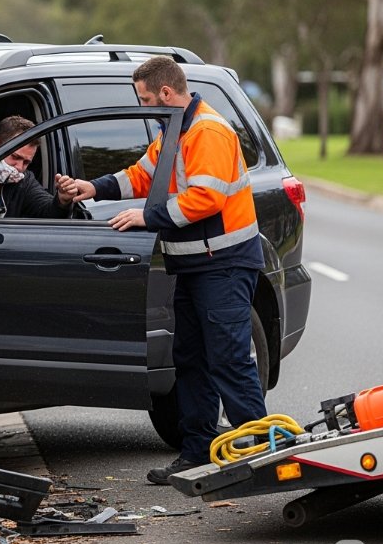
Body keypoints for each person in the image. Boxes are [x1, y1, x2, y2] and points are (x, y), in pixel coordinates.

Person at [57, 55, 266, 484]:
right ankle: (197, 453)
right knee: (191, 360)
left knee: (227, 360)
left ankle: (260, 457)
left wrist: (146, 216)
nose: (146, 106)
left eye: (147, 98)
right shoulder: (175, 130)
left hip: (222, 264)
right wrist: (91, 188)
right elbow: (141, 174)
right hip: (195, 265)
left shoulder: (207, 131)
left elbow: (205, 199)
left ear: (167, 94)